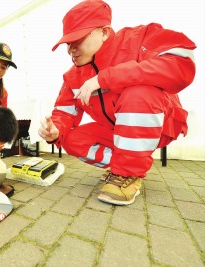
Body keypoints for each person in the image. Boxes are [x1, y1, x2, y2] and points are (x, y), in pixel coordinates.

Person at [38, 0, 196, 205]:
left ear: (104, 32)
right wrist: (56, 131)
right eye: (68, 43)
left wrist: (105, 78)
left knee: (138, 93)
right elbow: (64, 113)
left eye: (77, 40)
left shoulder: (139, 39)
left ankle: (128, 174)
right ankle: (123, 165)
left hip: (162, 124)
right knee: (71, 139)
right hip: (116, 131)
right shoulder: (72, 77)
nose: (71, 50)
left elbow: (182, 64)